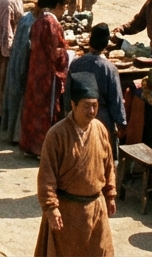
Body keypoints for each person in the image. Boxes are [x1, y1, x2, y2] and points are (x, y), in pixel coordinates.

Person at [35, 72, 117, 257]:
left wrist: (110, 193)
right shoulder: (56, 134)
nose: (92, 111)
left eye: (95, 106)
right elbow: (46, 176)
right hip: (67, 212)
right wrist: (51, 208)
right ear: (73, 105)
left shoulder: (100, 129)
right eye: (87, 106)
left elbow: (109, 165)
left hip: (95, 209)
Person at [19, 0, 69, 156]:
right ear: (58, 6)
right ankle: (43, 149)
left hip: (36, 71)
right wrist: (67, 53)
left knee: (34, 109)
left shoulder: (39, 21)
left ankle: (31, 146)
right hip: (47, 74)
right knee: (46, 111)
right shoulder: (51, 23)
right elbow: (55, 52)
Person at [64, 23, 125, 158]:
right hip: (102, 119)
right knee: (102, 158)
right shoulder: (110, 69)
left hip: (78, 116)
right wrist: (121, 124)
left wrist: (68, 114)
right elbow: (116, 100)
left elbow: (68, 94)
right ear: (106, 44)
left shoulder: (76, 64)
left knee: (79, 156)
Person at [1, 0, 38, 140]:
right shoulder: (8, 0)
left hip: (15, 51)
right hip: (13, 50)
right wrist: (8, 49)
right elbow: (7, 28)